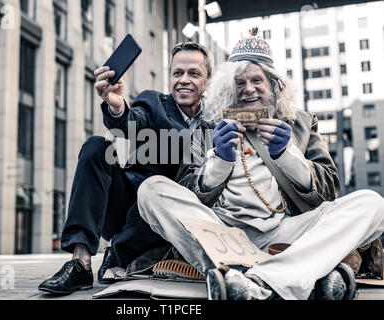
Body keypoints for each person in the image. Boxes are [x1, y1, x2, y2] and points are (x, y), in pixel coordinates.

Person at [136, 29, 384, 300]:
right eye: (239, 83)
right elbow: (187, 188)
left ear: (275, 86)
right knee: (151, 189)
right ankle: (294, 275)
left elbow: (329, 191)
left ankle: (253, 281)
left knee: (372, 203)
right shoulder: (207, 125)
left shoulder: (301, 122)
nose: (249, 89)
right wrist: (219, 160)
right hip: (219, 231)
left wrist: (286, 155)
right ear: (229, 88)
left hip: (285, 232)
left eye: (257, 80)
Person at [38, 41, 213, 295]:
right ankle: (80, 262)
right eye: (178, 73)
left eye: (194, 73)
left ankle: (119, 252)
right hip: (126, 205)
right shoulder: (154, 103)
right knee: (96, 146)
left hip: (164, 222)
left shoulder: (216, 124)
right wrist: (117, 106)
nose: (184, 80)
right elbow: (130, 125)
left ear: (207, 79)